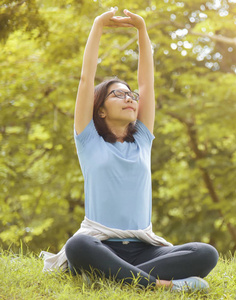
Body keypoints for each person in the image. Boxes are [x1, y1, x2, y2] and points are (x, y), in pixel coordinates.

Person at [41, 7, 218, 292]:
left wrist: (142, 30)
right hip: (99, 245)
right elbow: (87, 79)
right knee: (77, 245)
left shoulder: (143, 140)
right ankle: (163, 286)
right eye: (117, 94)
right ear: (99, 110)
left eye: (130, 94)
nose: (129, 98)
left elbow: (147, 83)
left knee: (206, 253)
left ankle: (108, 278)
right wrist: (98, 25)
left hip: (144, 249)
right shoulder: (88, 140)